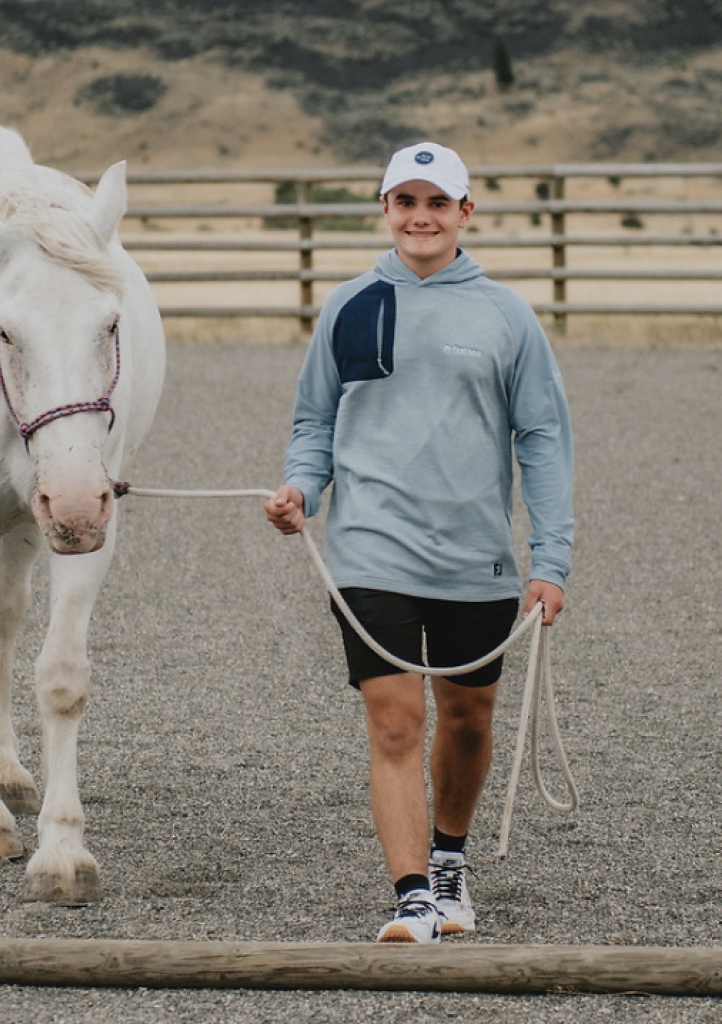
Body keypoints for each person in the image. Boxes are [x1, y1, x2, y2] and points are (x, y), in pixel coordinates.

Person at [264, 141, 574, 943]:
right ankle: (410, 897)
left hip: (477, 557)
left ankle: (448, 862)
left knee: (468, 716)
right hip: (371, 550)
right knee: (396, 721)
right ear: (386, 210)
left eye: (437, 203)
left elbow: (543, 437)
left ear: (465, 212)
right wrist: (303, 488)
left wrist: (552, 562)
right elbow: (315, 423)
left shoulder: (507, 315)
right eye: (405, 201)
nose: (420, 217)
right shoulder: (349, 304)